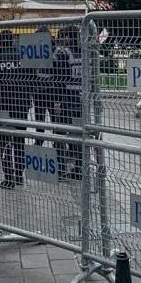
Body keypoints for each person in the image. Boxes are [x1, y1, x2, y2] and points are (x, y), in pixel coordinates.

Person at [0, 30, 28, 189]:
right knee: (19, 140)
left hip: (2, 105)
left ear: (0, 42)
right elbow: (30, 78)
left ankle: (9, 178)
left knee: (4, 142)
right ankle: (19, 175)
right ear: (12, 40)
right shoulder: (23, 57)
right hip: (21, 104)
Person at [51, 26, 83, 181]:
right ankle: (79, 169)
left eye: (61, 36)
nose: (59, 39)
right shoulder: (85, 51)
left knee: (60, 133)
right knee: (79, 135)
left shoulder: (62, 52)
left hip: (66, 97)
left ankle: (61, 169)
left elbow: (59, 77)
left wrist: (56, 100)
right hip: (83, 98)